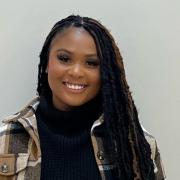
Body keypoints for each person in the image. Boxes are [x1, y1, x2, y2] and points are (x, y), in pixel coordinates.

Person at [0, 15, 166, 180]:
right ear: (46, 63)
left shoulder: (136, 144)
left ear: (105, 73)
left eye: (92, 63)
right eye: (64, 59)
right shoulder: (6, 138)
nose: (76, 72)